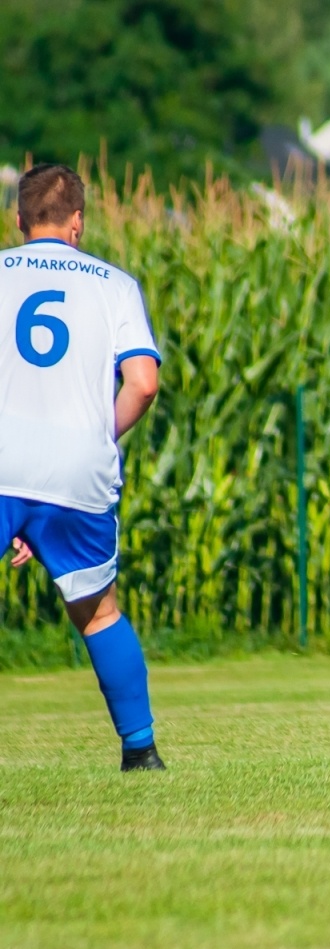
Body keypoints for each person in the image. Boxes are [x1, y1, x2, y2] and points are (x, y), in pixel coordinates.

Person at [1, 164, 165, 770]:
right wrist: (99, 436)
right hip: (78, 469)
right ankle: (140, 750)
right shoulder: (114, 284)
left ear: (19, 221)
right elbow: (142, 384)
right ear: (78, 223)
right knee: (98, 612)